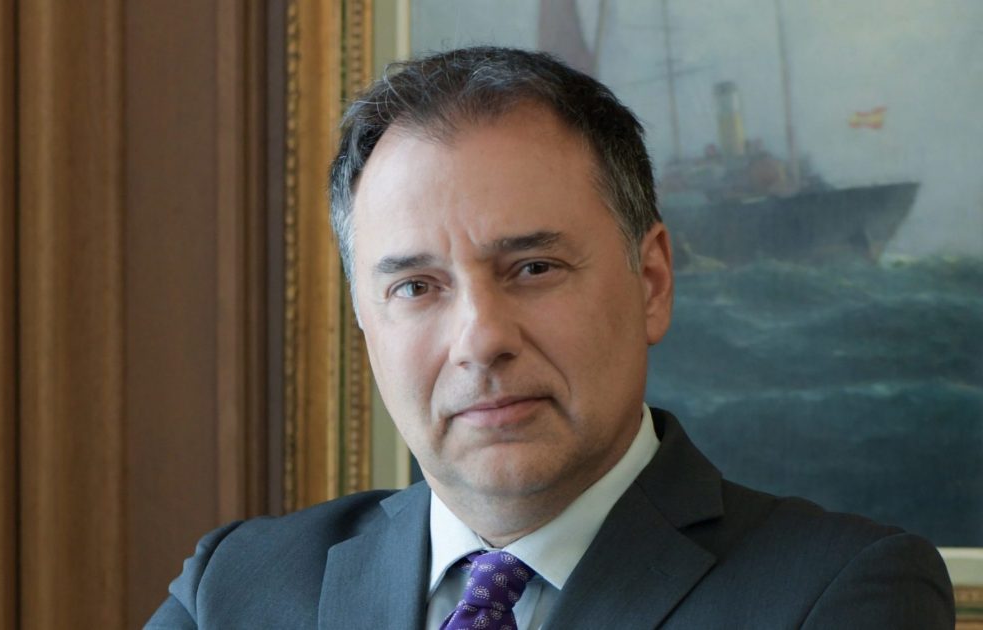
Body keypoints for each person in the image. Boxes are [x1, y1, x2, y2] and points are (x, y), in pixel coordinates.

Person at [147, 46, 954, 629]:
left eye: (533, 268)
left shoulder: (840, 594)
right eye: (416, 287)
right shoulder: (235, 589)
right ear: (365, 320)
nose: (481, 340)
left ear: (651, 282)